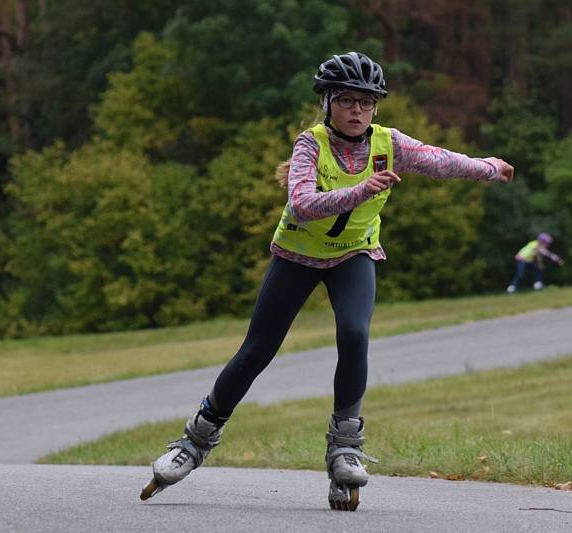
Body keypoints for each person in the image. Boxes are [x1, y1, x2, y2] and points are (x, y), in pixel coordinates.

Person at [140, 51, 514, 511]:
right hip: (297, 256)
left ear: (376, 107)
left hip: (353, 256)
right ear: (327, 103)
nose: (357, 112)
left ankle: (345, 448)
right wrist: (361, 189)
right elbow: (301, 204)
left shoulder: (388, 143)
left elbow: (440, 160)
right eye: (346, 102)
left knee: (354, 334)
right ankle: (194, 441)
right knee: (258, 349)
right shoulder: (309, 145)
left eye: (366, 103)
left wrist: (489, 168)